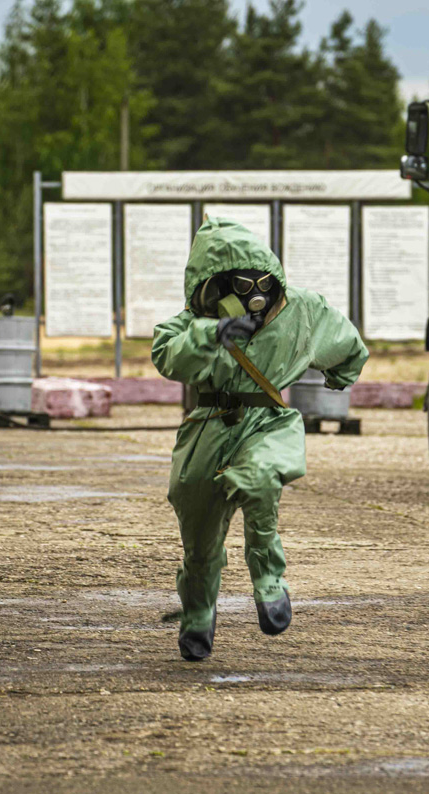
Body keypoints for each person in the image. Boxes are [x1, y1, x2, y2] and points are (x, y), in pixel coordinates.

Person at [151, 217, 369, 661]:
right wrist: (210, 334)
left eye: (261, 282)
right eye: (236, 286)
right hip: (208, 426)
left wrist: (339, 375)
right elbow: (166, 356)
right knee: (199, 529)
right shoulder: (192, 322)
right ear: (211, 289)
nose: (253, 295)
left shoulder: (301, 310)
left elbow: (346, 341)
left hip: (269, 419)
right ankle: (198, 614)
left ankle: (269, 580)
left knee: (260, 477)